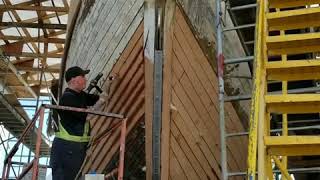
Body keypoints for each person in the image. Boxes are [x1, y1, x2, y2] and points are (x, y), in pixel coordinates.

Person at [50, 66, 101, 180]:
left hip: (76, 148)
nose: (86, 79)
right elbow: (88, 116)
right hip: (66, 148)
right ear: (73, 80)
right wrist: (102, 101)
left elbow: (96, 99)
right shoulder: (67, 98)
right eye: (83, 76)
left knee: (76, 177)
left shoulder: (80, 95)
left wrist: (109, 86)